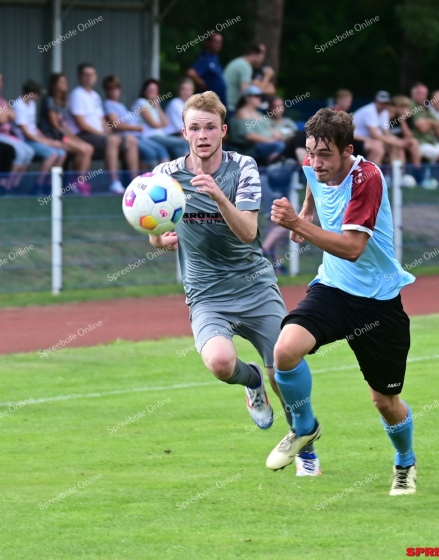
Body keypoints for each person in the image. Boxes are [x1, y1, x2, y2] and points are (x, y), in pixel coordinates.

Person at [149, 91, 322, 477]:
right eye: (195, 128)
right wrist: (161, 239)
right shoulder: (165, 175)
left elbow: (247, 231)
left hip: (254, 286)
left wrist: (216, 195)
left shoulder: (243, 166)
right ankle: (251, 381)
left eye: (210, 127)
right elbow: (154, 231)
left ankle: (305, 445)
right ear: (184, 133)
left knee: (284, 372)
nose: (203, 135)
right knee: (220, 363)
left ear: (223, 131)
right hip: (206, 293)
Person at [266, 108, 417, 495]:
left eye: (325, 155)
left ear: (347, 151)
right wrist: (306, 211)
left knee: (385, 401)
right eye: (311, 153)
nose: (316, 163)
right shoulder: (313, 165)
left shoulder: (367, 178)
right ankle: (305, 428)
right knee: (285, 351)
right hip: (333, 289)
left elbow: (352, 248)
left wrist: (298, 224)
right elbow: (312, 185)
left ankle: (404, 462)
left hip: (378, 303)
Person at [69, 63, 138, 194]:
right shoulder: (77, 94)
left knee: (130, 139)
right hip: (83, 135)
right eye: (86, 74)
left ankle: (135, 182)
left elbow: (101, 120)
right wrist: (105, 135)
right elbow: (81, 124)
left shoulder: (95, 96)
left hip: (98, 135)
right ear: (79, 77)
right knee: (112, 140)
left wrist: (109, 132)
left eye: (92, 74)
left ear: (95, 77)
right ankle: (114, 183)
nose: (89, 77)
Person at [38, 72, 95, 193]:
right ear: (54, 85)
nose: (65, 84)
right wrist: (69, 137)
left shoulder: (64, 101)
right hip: (53, 136)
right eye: (62, 82)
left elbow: (64, 124)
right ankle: (74, 182)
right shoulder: (49, 101)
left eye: (65, 82)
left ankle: (80, 180)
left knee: (89, 148)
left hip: (62, 135)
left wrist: (74, 137)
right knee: (82, 150)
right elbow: (55, 125)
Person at [0, 70, 35, 190]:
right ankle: (5, 185)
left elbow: (14, 115)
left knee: (29, 151)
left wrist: (5, 114)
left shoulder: (0, 98)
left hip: (5, 134)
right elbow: (0, 119)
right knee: (19, 153)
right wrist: (6, 114)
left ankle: (15, 184)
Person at [103, 75, 168, 167]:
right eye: (110, 88)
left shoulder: (120, 105)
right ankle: (139, 177)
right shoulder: (108, 104)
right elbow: (115, 124)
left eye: (116, 87)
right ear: (106, 90)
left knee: (160, 150)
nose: (114, 90)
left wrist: (157, 106)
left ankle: (164, 175)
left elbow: (166, 123)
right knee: (151, 153)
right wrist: (135, 128)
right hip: (130, 137)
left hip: (137, 136)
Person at [14, 79, 67, 193]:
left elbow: (33, 127)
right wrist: (48, 143)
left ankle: (51, 185)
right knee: (52, 154)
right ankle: (38, 185)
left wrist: (46, 139)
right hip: (23, 140)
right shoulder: (18, 105)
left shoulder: (31, 104)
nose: (38, 97)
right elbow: (26, 133)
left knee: (62, 153)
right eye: (37, 94)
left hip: (34, 138)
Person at [132, 79, 190, 160]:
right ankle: (190, 167)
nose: (153, 92)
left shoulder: (154, 107)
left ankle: (182, 167)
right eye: (150, 90)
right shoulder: (141, 102)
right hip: (149, 136)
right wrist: (161, 125)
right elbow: (154, 124)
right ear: (144, 91)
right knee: (182, 143)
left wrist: (158, 106)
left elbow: (166, 123)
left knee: (173, 149)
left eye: (155, 91)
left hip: (159, 135)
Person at [230, 86, 285, 164]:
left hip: (264, 145)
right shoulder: (242, 113)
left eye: (260, 96)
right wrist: (270, 140)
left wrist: (276, 134)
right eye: (256, 96)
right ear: (247, 98)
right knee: (279, 145)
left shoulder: (259, 113)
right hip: (249, 149)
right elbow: (249, 136)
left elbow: (269, 128)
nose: (260, 99)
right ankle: (272, 165)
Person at [224, 43, 275, 115]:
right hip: (230, 106)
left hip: (225, 103)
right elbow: (246, 92)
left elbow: (271, 90)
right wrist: (267, 77)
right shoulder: (246, 67)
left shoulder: (238, 62)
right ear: (255, 55)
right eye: (260, 55)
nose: (262, 58)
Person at [187, 34, 227, 107]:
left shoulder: (215, 57)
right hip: (208, 105)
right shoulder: (205, 58)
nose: (218, 44)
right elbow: (191, 72)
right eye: (215, 41)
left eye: (220, 42)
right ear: (208, 42)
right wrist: (201, 83)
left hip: (219, 104)